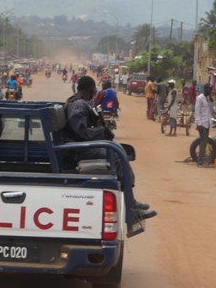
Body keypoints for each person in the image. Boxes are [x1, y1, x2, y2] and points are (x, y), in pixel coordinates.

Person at [64, 76, 156, 220]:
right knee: (118, 157)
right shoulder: (78, 104)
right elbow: (81, 132)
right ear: (92, 89)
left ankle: (130, 201)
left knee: (117, 150)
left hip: (80, 146)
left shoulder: (79, 103)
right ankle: (131, 209)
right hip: (78, 149)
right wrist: (101, 132)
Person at [194, 83, 215, 167]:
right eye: (210, 90)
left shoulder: (208, 99)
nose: (211, 91)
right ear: (205, 89)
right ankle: (200, 161)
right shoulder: (200, 98)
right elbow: (197, 111)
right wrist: (198, 124)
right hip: (202, 123)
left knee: (205, 142)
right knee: (203, 142)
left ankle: (202, 159)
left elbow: (211, 111)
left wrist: (211, 102)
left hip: (207, 123)